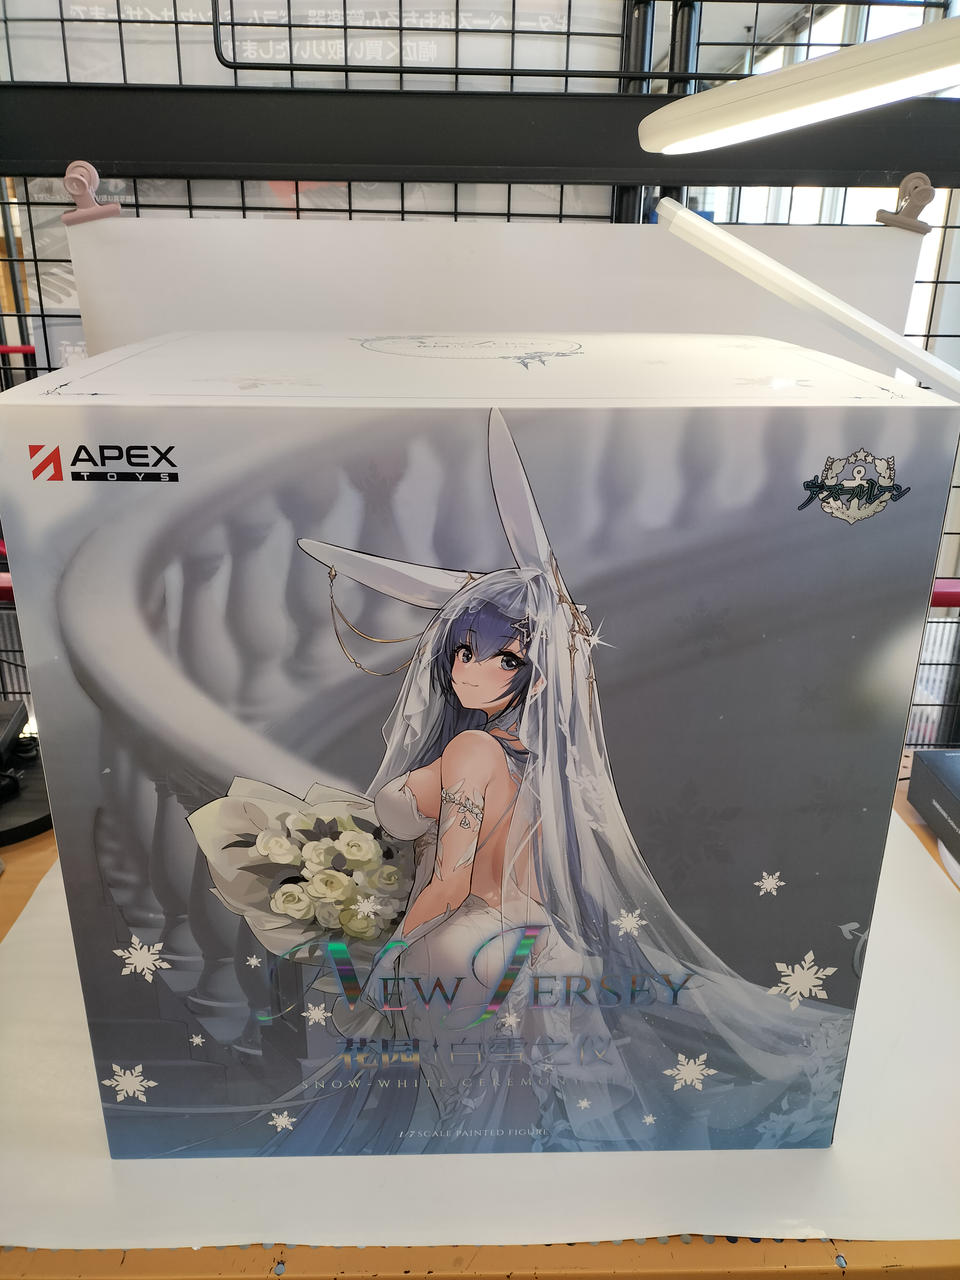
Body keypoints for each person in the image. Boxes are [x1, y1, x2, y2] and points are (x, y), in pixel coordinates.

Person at [191, 410, 851, 1154]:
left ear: (537, 675)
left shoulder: (475, 751)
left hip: (463, 938)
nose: (471, 669)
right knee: (518, 1106)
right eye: (464, 650)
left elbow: (452, 877)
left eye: (503, 657)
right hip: (534, 937)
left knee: (475, 1108)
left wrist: (388, 955)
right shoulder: (535, 759)